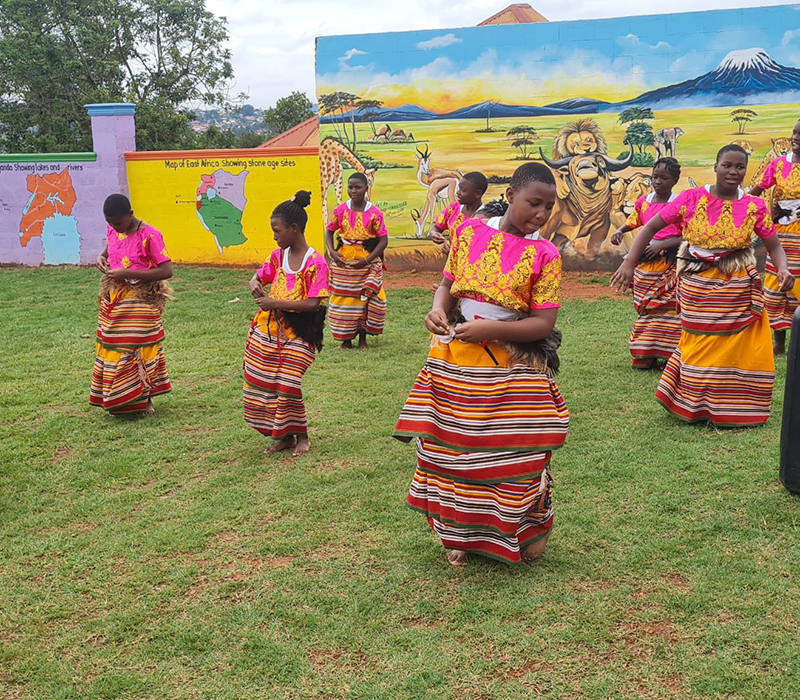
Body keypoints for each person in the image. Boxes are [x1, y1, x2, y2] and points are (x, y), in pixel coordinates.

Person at [394, 163, 569, 567]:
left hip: (512, 365)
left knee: (510, 455)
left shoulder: (547, 254)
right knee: (451, 454)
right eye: (533, 203)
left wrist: (488, 328)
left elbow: (543, 323)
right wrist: (437, 311)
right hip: (454, 360)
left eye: (548, 207)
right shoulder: (469, 231)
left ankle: (524, 527)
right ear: (510, 196)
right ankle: (460, 535)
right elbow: (447, 285)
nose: (541, 214)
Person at [610, 145, 794, 427]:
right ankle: (695, 402)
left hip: (737, 285)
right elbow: (649, 227)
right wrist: (629, 261)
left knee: (737, 345)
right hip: (697, 284)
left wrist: (782, 267)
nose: (733, 172)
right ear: (716, 166)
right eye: (727, 165)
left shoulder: (754, 206)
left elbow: (774, 245)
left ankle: (733, 405)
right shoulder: (691, 198)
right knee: (699, 342)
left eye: (740, 167)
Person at [244, 191, 329, 457]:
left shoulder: (316, 262)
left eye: (277, 231)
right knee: (263, 382)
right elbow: (258, 277)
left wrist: (275, 303)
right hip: (268, 331)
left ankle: (302, 435)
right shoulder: (276, 257)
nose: (274, 236)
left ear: (294, 229)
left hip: (301, 333)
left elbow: (314, 303)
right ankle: (283, 435)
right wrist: (255, 283)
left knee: (289, 383)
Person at [90, 194, 173, 416]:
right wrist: (101, 256)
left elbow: (167, 270)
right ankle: (120, 395)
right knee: (113, 345)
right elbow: (112, 246)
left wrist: (127, 272)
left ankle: (145, 399)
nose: (115, 227)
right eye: (110, 223)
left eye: (118, 223)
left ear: (130, 214)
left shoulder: (150, 235)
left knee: (140, 346)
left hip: (143, 297)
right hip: (116, 294)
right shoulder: (114, 229)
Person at [610, 158, 683, 369]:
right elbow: (634, 221)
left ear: (675, 180)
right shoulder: (644, 201)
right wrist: (619, 231)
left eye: (663, 178)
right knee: (647, 308)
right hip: (646, 265)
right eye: (654, 177)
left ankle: (669, 355)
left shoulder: (680, 202)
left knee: (670, 310)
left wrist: (664, 244)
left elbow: (689, 233)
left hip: (670, 262)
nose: (657, 182)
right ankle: (644, 355)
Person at [749, 118, 800, 354]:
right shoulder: (779, 164)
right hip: (781, 237)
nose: (796, 139)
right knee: (775, 286)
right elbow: (756, 192)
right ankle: (779, 343)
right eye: (794, 133)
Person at [325, 173, 389, 349]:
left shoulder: (375, 213)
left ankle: (362, 340)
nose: (353, 191)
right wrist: (332, 251)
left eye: (357, 187)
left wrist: (367, 260)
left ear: (366, 188)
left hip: (366, 259)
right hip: (344, 260)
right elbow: (330, 231)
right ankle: (346, 340)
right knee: (343, 300)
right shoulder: (340, 210)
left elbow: (383, 240)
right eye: (350, 187)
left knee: (366, 298)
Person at [430, 172, 488, 255]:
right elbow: (436, 228)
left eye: (463, 190)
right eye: (459, 189)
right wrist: (434, 234)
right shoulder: (453, 209)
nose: (458, 193)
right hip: (452, 265)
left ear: (477, 194)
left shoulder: (486, 218)